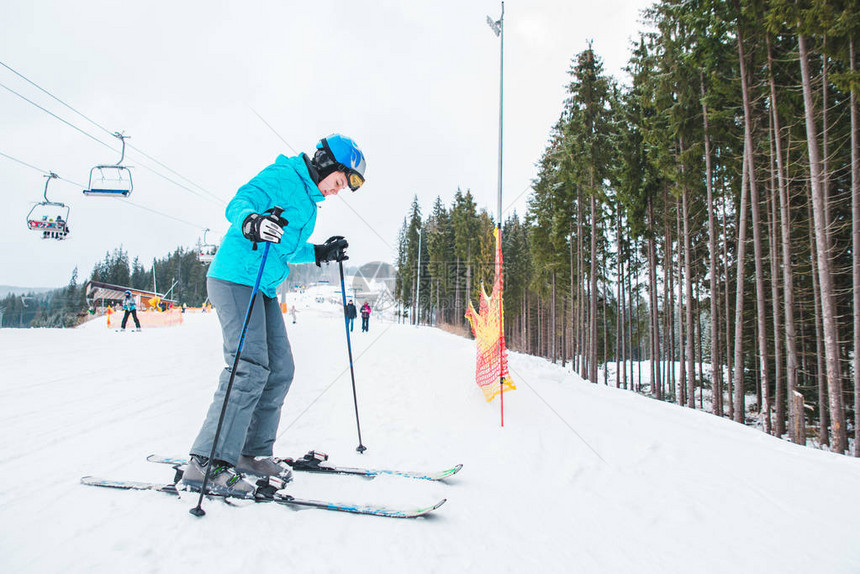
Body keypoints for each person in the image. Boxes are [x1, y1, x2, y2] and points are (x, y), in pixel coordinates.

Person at [182, 134, 367, 497]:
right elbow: (240, 202)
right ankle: (205, 463)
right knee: (248, 366)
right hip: (235, 278)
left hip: (262, 286)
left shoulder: (310, 203)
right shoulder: (283, 175)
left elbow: (286, 246)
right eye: (339, 182)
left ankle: (250, 453)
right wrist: (251, 220)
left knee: (280, 369)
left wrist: (319, 253)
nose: (336, 190)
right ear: (328, 165)